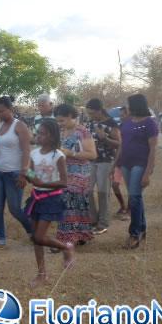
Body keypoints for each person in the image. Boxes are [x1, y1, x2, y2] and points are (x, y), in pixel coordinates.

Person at [26, 119, 74, 287]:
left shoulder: (58, 156)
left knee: (39, 236)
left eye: (43, 133)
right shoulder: (34, 153)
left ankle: (66, 248)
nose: (38, 136)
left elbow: (64, 181)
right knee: (35, 238)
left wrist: (42, 184)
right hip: (36, 197)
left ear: (53, 136)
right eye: (38, 132)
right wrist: (28, 176)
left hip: (51, 198)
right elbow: (31, 171)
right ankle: (42, 274)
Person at [117, 94, 158, 249]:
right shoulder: (126, 122)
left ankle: (134, 233)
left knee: (134, 198)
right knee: (135, 197)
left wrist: (148, 172)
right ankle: (142, 228)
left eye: (128, 104)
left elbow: (153, 149)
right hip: (126, 163)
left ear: (135, 105)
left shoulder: (149, 123)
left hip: (140, 164)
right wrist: (116, 163)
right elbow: (122, 145)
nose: (126, 107)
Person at [0, 96, 33, 247]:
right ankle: (0, 238)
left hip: (14, 174)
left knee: (14, 209)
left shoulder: (19, 126)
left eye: (1, 111)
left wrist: (23, 173)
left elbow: (27, 150)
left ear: (11, 109)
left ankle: (31, 230)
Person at [53, 104, 97, 247]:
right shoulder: (61, 131)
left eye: (62, 120)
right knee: (72, 204)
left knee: (70, 204)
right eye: (58, 121)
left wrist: (72, 153)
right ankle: (80, 235)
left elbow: (92, 154)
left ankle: (66, 239)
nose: (60, 124)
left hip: (79, 174)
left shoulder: (83, 132)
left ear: (72, 116)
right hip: (64, 173)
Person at [85, 99, 121, 235]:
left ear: (99, 110)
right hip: (91, 159)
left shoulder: (111, 124)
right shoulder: (90, 122)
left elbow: (118, 144)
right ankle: (92, 218)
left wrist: (104, 138)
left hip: (106, 160)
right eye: (89, 113)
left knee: (102, 192)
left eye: (92, 113)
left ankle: (103, 222)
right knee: (86, 189)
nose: (90, 115)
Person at [112, 107, 129, 219]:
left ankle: (129, 209)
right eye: (120, 115)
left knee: (131, 187)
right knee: (114, 185)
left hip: (130, 162)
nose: (121, 117)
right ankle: (123, 205)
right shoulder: (120, 127)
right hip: (119, 160)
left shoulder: (135, 127)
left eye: (123, 114)